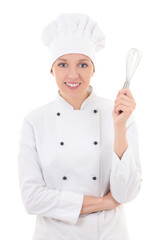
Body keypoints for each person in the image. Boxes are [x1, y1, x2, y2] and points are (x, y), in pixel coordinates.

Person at [18, 13, 142, 240]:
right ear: (51, 69)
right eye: (63, 64)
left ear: (93, 70)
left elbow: (125, 193)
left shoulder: (119, 114)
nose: (73, 74)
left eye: (83, 64)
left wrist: (120, 127)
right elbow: (32, 198)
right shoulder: (35, 121)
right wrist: (104, 202)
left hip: (107, 235)